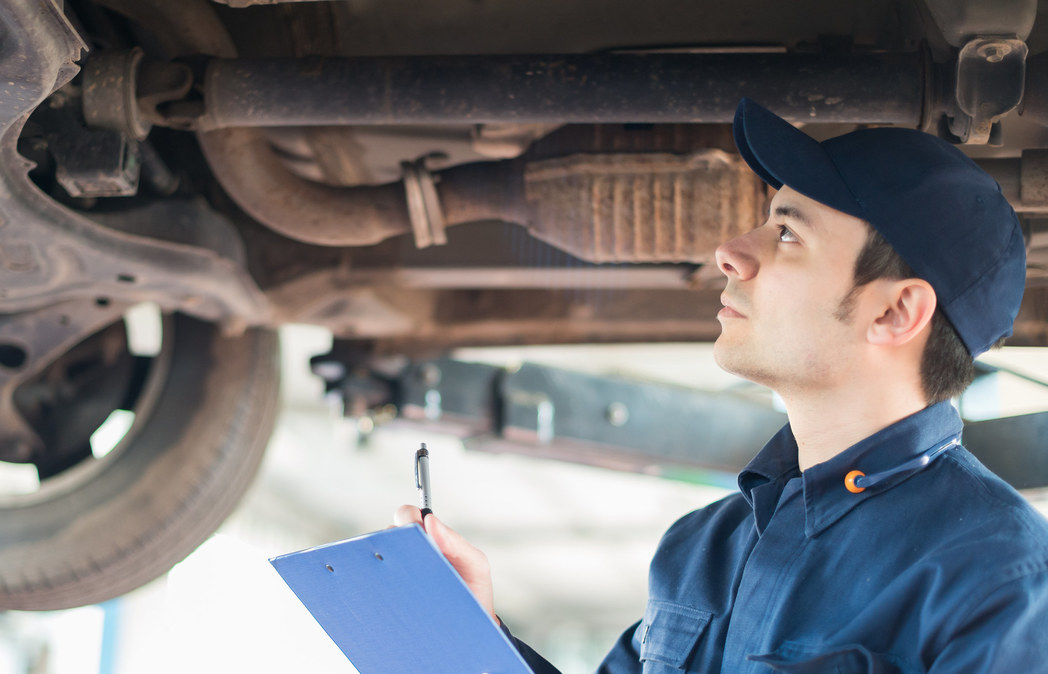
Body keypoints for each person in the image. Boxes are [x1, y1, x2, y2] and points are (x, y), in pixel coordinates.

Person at [394, 98, 1048, 672]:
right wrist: (475, 635)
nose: (730, 251)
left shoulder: (1002, 581)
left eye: (788, 232)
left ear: (894, 312)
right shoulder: (700, 549)